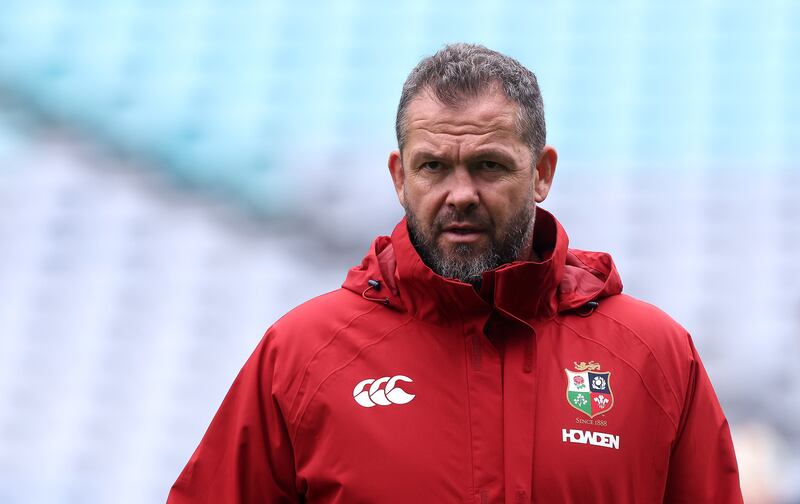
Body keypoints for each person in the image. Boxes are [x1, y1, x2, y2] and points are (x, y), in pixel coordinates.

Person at [168, 43, 742, 503]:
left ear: (542, 173)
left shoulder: (654, 356)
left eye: (489, 166)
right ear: (399, 177)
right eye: (433, 167)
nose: (460, 195)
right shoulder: (302, 356)